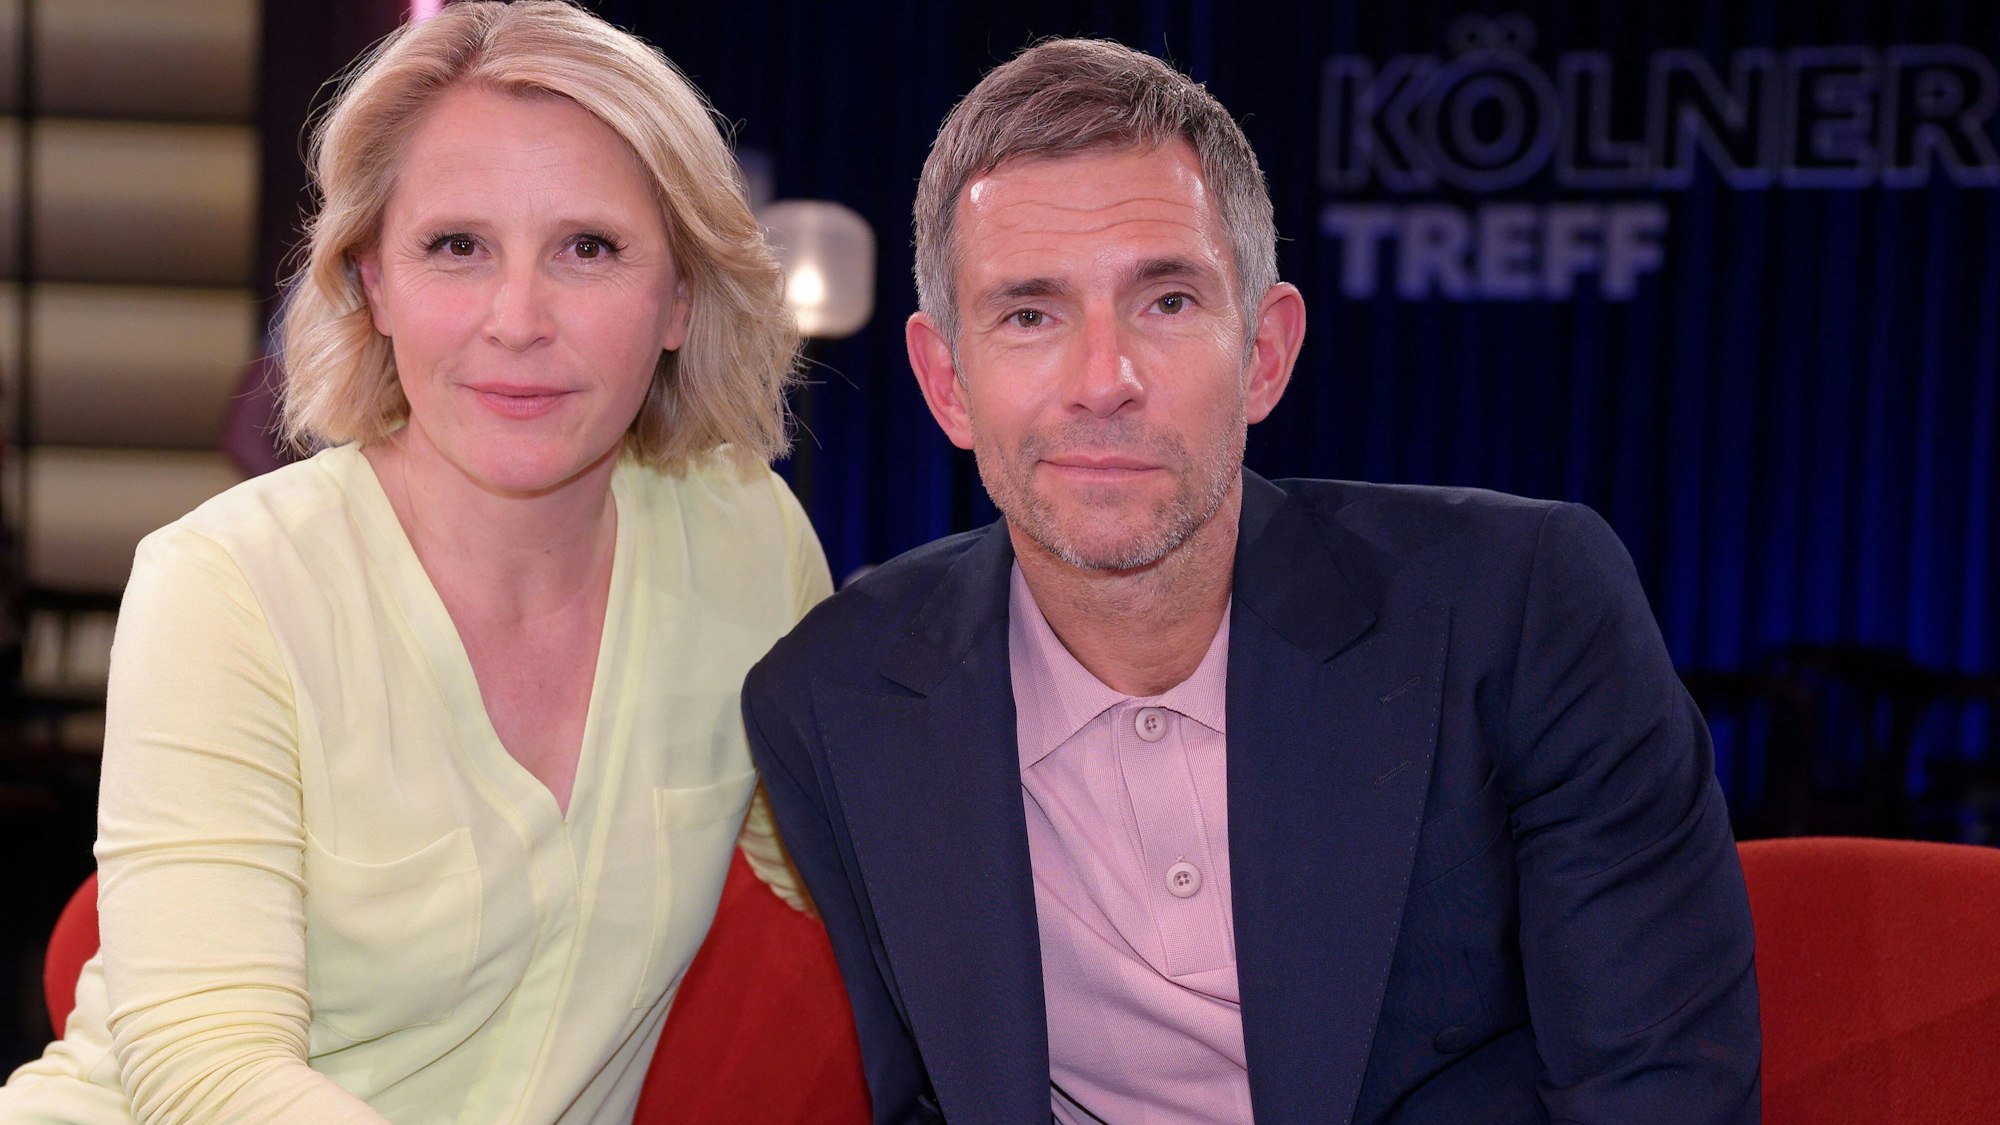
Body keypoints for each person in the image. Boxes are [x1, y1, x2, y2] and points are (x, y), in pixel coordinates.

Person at [744, 37, 1760, 1124]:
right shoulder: (830, 699)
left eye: (1166, 301)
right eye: (1029, 314)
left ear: (1264, 352)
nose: (1105, 382)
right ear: (945, 384)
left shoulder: (1521, 609)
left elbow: (1656, 1096)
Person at [0, 3, 828, 1121]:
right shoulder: (225, 584)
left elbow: (843, 881)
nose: (518, 318)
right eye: (456, 247)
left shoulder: (745, 536)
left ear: (679, 295)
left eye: (587, 248)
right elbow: (203, 1073)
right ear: (369, 282)